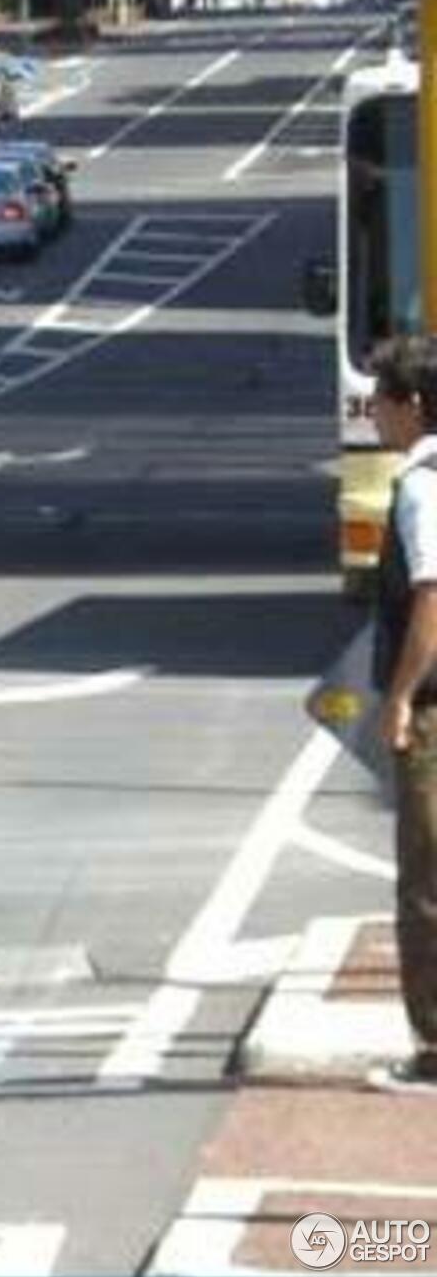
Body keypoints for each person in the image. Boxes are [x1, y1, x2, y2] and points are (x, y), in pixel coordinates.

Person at [368, 335, 437, 1091]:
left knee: (425, 882)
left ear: (411, 405)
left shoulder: (423, 486)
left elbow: (431, 597)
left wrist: (401, 698)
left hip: (434, 710)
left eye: (383, 400)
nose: (376, 414)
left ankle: (435, 1047)